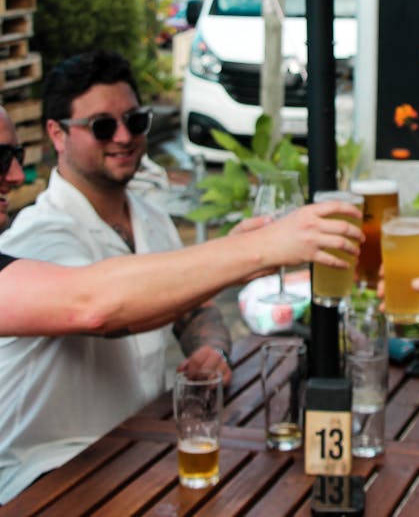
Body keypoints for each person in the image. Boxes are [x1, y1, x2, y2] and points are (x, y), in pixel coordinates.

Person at [0, 50, 360, 503]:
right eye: (103, 127)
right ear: (57, 133)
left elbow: (193, 307)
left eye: (135, 120)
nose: (125, 137)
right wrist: (248, 252)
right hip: (47, 477)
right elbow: (99, 308)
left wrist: (210, 347)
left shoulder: (149, 217)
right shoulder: (37, 235)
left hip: (135, 455)